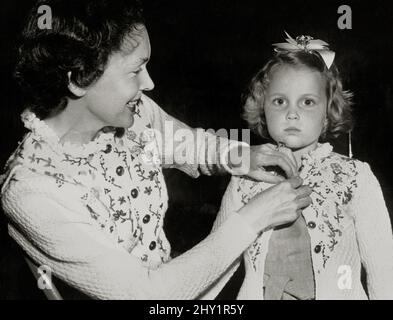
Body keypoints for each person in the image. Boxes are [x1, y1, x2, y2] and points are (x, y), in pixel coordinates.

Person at [0, 1, 311, 299]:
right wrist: (254, 218)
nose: (149, 83)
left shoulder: (131, 116)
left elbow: (190, 144)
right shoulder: (30, 191)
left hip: (175, 282)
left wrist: (244, 155)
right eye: (136, 71)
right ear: (79, 80)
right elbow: (147, 295)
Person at [202, 33, 393, 300]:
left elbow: (384, 269)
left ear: (328, 113)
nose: (292, 113)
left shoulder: (355, 177)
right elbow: (214, 261)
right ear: (262, 108)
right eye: (280, 101)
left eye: (307, 102)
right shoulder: (244, 179)